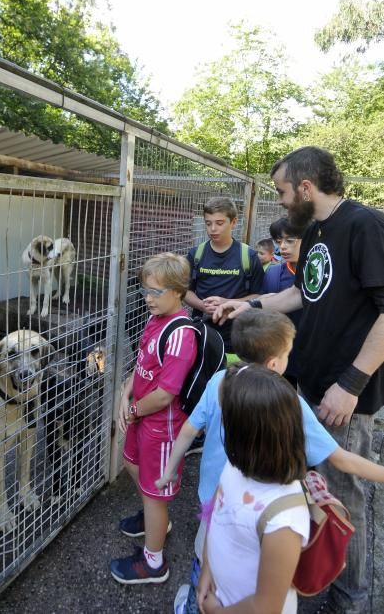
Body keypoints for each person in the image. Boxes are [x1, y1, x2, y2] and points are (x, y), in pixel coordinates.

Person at [213, 146, 384, 614]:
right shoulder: (314, 232)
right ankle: (319, 578)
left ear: (306, 187)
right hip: (309, 382)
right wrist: (248, 305)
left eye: (283, 192)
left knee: (348, 495)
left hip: (345, 391)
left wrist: (351, 383)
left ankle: (353, 601)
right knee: (319, 486)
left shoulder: (364, 225)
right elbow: (297, 294)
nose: (282, 201)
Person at [159, 309, 384, 614]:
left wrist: (169, 471)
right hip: (257, 519)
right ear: (275, 363)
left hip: (216, 504)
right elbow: (341, 460)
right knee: (253, 571)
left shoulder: (220, 382)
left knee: (207, 566)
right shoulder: (288, 404)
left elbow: (189, 430)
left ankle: (192, 605)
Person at [110, 252, 198, 585]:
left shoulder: (181, 335)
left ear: (178, 291)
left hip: (161, 426)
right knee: (132, 463)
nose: (148, 298)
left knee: (153, 491)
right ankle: (154, 516)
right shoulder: (155, 319)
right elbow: (143, 362)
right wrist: (124, 392)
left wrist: (132, 410)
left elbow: (164, 395)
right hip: (142, 417)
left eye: (156, 291)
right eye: (145, 289)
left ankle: (153, 563)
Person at [198, 364, 310, 613]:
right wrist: (207, 566)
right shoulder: (236, 466)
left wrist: (217, 611)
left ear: (244, 435)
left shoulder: (284, 520)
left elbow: (265, 607)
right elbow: (216, 513)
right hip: (218, 593)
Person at [185, 196, 264, 357]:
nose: (213, 229)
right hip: (201, 334)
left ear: (233, 222)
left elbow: (259, 295)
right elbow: (185, 291)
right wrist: (201, 305)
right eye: (208, 223)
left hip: (237, 338)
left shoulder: (248, 256)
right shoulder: (196, 255)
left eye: (219, 223)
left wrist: (227, 303)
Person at [262, 217, 306, 386]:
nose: (283, 247)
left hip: (313, 357)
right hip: (282, 357)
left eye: (290, 241)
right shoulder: (273, 275)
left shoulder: (321, 274)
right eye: (279, 241)